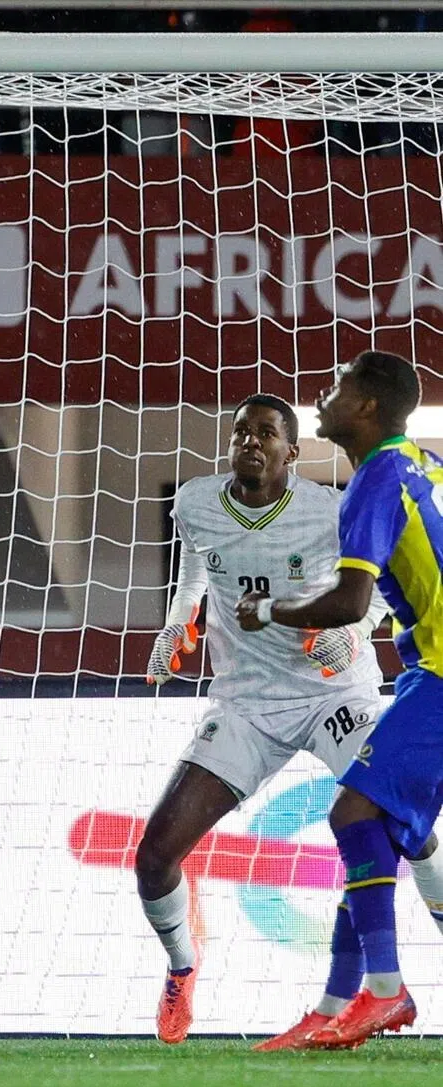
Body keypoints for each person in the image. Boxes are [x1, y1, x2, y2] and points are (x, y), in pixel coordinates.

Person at [141, 392, 443, 1046]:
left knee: (402, 827)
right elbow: (197, 561)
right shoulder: (196, 501)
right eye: (241, 432)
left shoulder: (330, 510)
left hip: (333, 693)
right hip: (247, 702)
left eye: (266, 433)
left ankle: (364, 997)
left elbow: (377, 588)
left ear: (290, 449)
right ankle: (182, 965)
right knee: (155, 858)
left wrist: (359, 630)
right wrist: (177, 622)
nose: (251, 442)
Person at [238, 352, 443, 1050]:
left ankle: (385, 994)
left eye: (336, 387)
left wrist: (269, 612)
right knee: (377, 834)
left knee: (354, 812)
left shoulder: (376, 480)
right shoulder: (423, 465)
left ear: (365, 407)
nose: (322, 398)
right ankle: (335, 1003)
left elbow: (350, 598)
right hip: (430, 668)